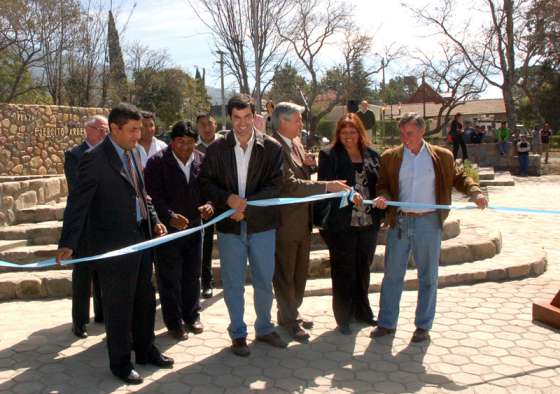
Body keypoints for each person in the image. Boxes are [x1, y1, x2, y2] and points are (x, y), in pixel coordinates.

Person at [56, 103, 174, 385]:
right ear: (115, 129)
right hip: (113, 246)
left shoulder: (132, 154)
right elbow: (78, 203)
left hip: (141, 240)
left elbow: (142, 193)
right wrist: (67, 243)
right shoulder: (94, 159)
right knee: (118, 307)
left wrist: (154, 218)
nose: (138, 135)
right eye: (133, 130)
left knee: (145, 299)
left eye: (141, 129)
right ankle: (121, 363)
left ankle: (145, 351)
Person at [371, 112, 488, 343]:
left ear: (423, 131)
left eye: (410, 133)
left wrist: (475, 192)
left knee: (427, 276)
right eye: (402, 133)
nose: (405, 138)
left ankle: (423, 326)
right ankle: (386, 323)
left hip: (429, 222)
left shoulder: (442, 156)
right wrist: (382, 198)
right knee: (393, 274)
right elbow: (383, 185)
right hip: (400, 221)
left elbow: (460, 177)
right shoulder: (390, 157)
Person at [199, 94, 287, 357]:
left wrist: (245, 207)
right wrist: (228, 200)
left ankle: (264, 327)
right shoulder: (215, 149)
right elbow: (205, 183)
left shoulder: (271, 148)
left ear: (254, 116)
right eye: (236, 118)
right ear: (229, 117)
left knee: (263, 279)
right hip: (230, 228)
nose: (242, 123)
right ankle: (238, 333)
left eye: (247, 116)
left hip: (262, 226)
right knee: (233, 282)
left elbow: (276, 186)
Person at [271, 102, 351, 342]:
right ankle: (288, 319)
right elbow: (289, 185)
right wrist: (327, 186)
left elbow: (300, 177)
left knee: (299, 272)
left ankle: (291, 312)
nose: (302, 125)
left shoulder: (294, 142)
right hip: (285, 222)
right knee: (285, 273)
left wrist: (309, 166)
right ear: (283, 122)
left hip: (302, 220)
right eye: (298, 120)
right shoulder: (274, 147)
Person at [144, 121, 214, 341]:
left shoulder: (202, 161)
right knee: (169, 277)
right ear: (172, 142)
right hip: (168, 231)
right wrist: (169, 216)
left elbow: (210, 189)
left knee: (193, 274)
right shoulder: (157, 163)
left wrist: (210, 204)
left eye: (190, 142)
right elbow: (153, 197)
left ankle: (192, 316)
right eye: (181, 142)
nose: (185, 147)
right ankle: (174, 323)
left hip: (194, 228)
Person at [317, 113, 383, 335]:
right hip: (341, 224)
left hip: (368, 223)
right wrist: (347, 194)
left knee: (363, 268)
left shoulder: (372, 154)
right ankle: (343, 317)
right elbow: (325, 187)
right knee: (343, 270)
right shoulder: (329, 155)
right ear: (338, 134)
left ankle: (363, 312)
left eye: (352, 132)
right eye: (344, 133)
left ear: (360, 132)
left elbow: (380, 184)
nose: (348, 136)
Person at [64, 115, 108, 338]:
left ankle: (102, 314)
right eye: (100, 129)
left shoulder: (110, 153)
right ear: (87, 130)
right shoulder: (74, 155)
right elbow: (77, 189)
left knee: (104, 271)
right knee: (83, 274)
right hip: (84, 224)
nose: (104, 134)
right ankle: (79, 321)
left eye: (106, 130)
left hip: (106, 223)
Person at [196, 113, 223, 298]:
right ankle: (207, 282)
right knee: (205, 245)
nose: (207, 128)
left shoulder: (226, 145)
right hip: (205, 205)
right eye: (202, 125)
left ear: (215, 125)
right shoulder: (193, 149)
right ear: (198, 128)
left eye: (210, 124)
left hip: (227, 201)